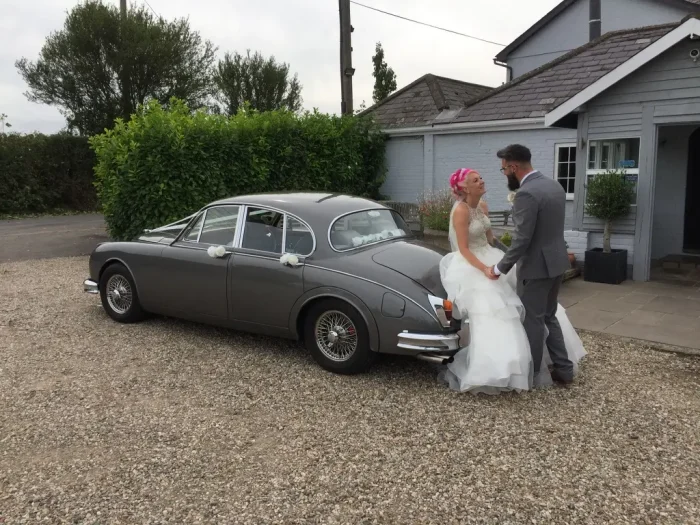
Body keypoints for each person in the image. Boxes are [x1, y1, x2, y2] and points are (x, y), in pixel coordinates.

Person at [438, 165, 585, 395]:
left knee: (530, 307)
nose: (482, 181)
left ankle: (534, 361)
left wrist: (509, 258)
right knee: (492, 309)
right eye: (476, 180)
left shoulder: (483, 207)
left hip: (491, 257)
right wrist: (485, 269)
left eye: (481, 177)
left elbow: (490, 240)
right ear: (463, 187)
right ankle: (498, 367)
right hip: (472, 263)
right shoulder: (460, 211)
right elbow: (464, 249)